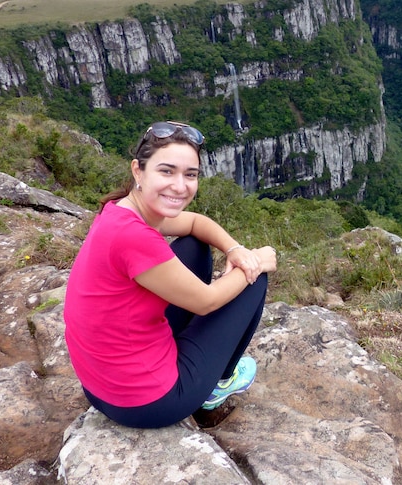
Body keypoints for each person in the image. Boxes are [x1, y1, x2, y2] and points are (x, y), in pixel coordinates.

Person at [63, 121, 277, 428]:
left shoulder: (119, 211)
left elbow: (193, 225)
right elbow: (206, 302)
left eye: (190, 175)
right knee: (253, 280)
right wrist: (256, 260)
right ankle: (217, 385)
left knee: (195, 245)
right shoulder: (134, 237)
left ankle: (188, 357)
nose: (180, 186)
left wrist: (234, 249)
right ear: (138, 171)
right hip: (147, 402)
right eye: (167, 171)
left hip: (101, 387)